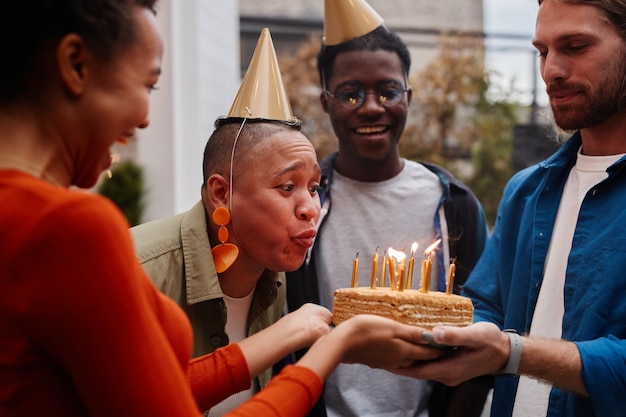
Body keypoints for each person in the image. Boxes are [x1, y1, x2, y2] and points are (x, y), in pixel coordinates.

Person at [0, 1, 448, 416]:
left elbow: (160, 387)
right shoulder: (67, 228)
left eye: (312, 188)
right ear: (75, 64)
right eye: (147, 84)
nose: (145, 119)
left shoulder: (275, 278)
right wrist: (338, 344)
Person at [400, 1, 626, 416]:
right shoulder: (526, 193)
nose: (551, 71)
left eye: (575, 46)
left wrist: (511, 351)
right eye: (542, 51)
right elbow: (487, 307)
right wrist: (423, 330)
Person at [285, 1, 491, 416]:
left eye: (387, 91)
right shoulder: (304, 205)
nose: (372, 107)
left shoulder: (454, 204)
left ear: (408, 97)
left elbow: (482, 327)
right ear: (326, 102)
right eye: (350, 94)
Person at [131, 28, 320, 415]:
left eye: (314, 187)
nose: (310, 208)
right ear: (220, 193)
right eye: (287, 187)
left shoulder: (274, 280)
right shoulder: (138, 272)